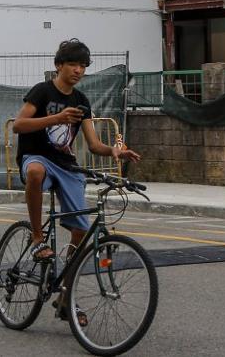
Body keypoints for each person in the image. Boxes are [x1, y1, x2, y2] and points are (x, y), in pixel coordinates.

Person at [14, 39, 141, 267]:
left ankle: (66, 289)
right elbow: (18, 125)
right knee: (34, 171)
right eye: (73, 64)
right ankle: (37, 237)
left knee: (81, 231)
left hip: (65, 164)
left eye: (83, 66)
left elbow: (93, 144)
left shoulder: (81, 100)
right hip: (37, 156)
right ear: (58, 65)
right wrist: (56, 118)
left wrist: (115, 150)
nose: (78, 70)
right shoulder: (42, 91)